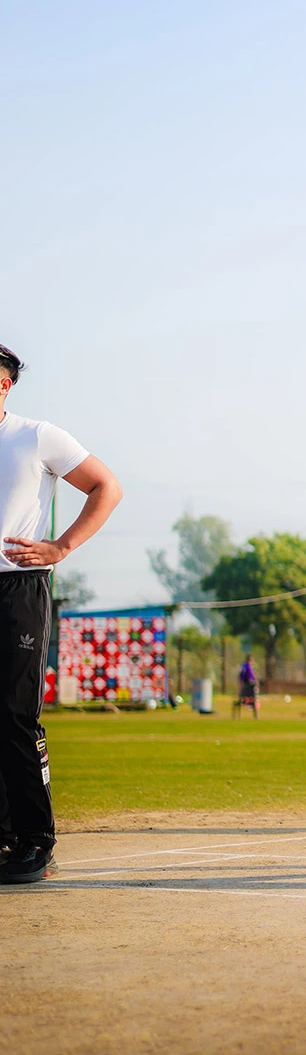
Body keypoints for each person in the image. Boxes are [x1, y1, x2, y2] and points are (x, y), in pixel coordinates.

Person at [0, 344, 122, 884]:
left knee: (13, 716)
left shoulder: (36, 436)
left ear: (3, 385)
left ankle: (35, 842)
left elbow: (106, 487)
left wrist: (60, 546)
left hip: (17, 590)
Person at [238, 653, 260, 719]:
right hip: (249, 684)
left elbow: (241, 675)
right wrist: (255, 681)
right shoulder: (247, 666)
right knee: (254, 697)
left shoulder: (244, 665)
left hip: (245, 683)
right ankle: (255, 713)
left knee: (243, 696)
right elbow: (250, 675)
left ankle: (242, 713)